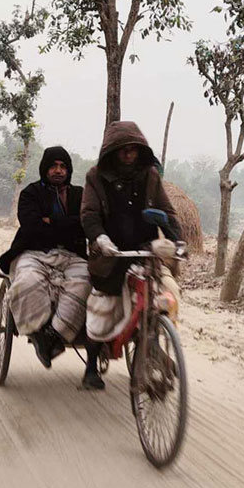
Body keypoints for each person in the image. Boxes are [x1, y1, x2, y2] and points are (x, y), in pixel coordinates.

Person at [80, 121, 183, 370]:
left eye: (133, 149)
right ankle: (92, 366)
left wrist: (177, 241)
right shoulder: (95, 177)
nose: (128, 153)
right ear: (112, 151)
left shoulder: (151, 176)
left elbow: (167, 213)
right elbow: (89, 214)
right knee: (100, 308)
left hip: (144, 253)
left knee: (167, 292)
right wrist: (100, 238)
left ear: (140, 151)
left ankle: (154, 343)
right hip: (110, 254)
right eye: (123, 149)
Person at [0, 147, 99, 387]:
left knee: (86, 283)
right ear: (45, 168)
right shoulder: (30, 193)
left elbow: (85, 224)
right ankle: (37, 330)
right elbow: (31, 226)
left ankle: (53, 337)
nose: (58, 171)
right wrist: (67, 224)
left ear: (68, 170)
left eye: (63, 166)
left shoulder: (80, 195)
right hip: (33, 252)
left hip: (71, 255)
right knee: (27, 282)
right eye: (53, 166)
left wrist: (51, 221)